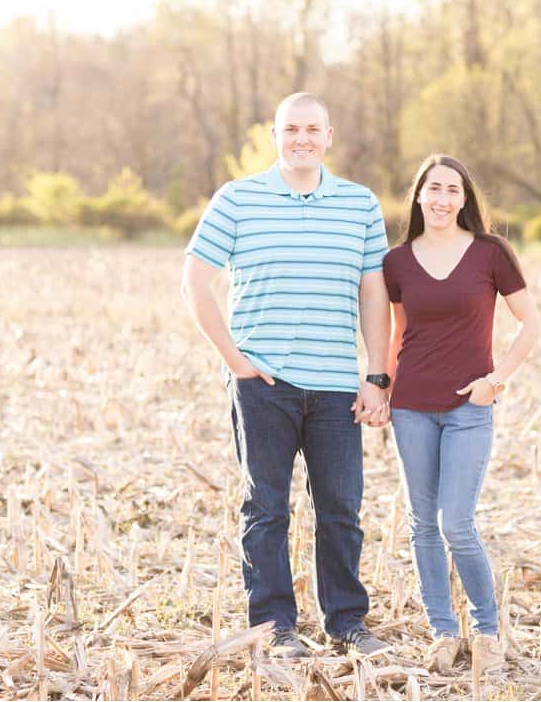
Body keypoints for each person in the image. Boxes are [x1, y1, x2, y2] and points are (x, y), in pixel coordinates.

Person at [182, 92, 393, 658]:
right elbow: (194, 281)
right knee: (266, 508)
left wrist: (377, 375)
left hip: (335, 386)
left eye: (312, 129)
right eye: (291, 128)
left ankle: (347, 622)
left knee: (342, 509)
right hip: (262, 385)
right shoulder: (237, 200)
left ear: (329, 136)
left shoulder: (360, 204)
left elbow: (373, 291)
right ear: (274, 135)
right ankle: (275, 628)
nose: (302, 138)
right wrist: (236, 362)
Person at [381, 154, 541, 674]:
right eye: (434, 189)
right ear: (420, 196)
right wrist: (381, 388)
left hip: (469, 408)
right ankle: (443, 633)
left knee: (457, 523)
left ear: (465, 198)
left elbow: (530, 324)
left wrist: (496, 381)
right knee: (422, 525)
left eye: (453, 190)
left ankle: (488, 631)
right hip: (410, 406)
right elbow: (398, 334)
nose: (444, 198)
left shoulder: (490, 253)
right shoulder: (398, 261)